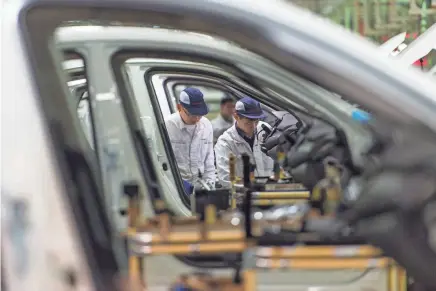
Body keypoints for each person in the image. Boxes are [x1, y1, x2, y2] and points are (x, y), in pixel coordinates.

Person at [214, 96, 274, 187]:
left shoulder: (266, 130)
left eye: (256, 121)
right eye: (248, 122)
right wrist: (249, 187)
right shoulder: (225, 143)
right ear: (236, 116)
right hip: (244, 195)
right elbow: (225, 179)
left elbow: (280, 162)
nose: (254, 127)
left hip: (272, 190)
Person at [165, 87, 216, 189]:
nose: (197, 119)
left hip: (201, 185)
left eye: (200, 114)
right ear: (179, 108)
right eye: (192, 114)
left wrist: (210, 185)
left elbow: (209, 160)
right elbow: (162, 162)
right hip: (177, 187)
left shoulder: (206, 125)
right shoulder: (168, 126)